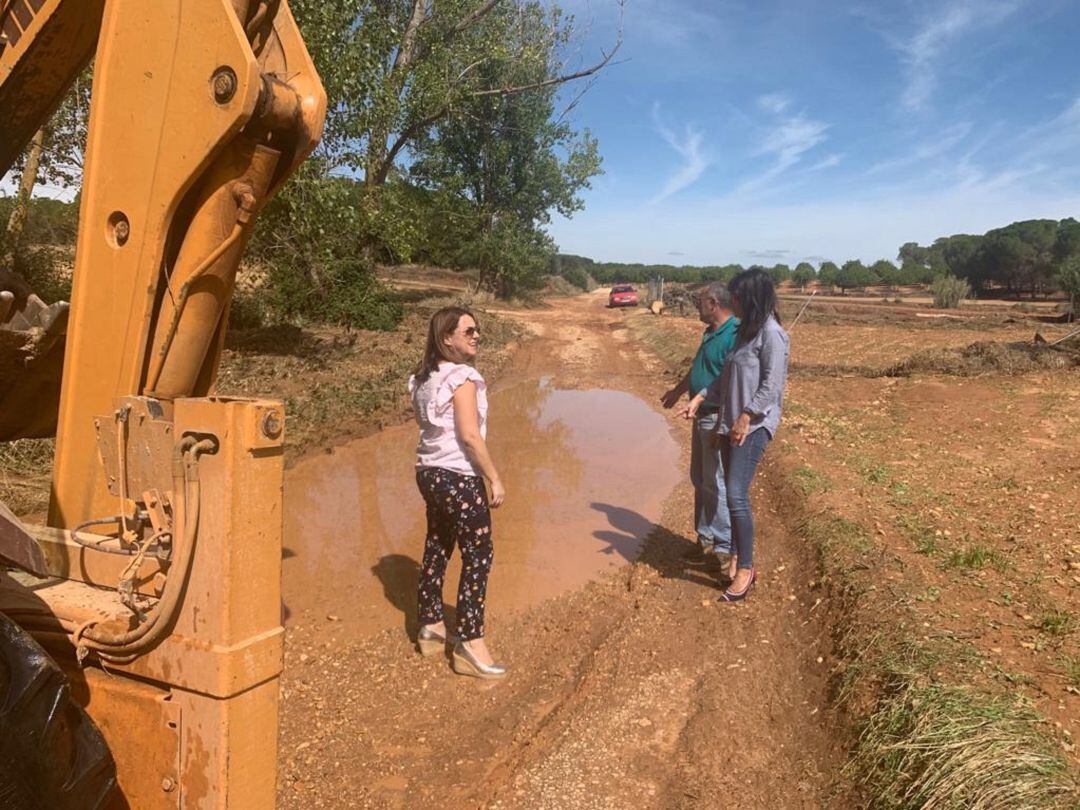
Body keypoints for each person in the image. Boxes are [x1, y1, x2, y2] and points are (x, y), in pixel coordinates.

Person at [408, 306, 507, 679]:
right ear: (445, 337)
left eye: (476, 329)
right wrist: (494, 478)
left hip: (428, 473)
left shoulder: (423, 379)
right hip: (457, 475)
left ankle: (430, 627)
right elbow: (469, 436)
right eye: (468, 331)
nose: (476, 335)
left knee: (437, 544)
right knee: (478, 555)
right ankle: (470, 642)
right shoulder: (463, 377)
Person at [684, 269, 789, 602]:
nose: (734, 302)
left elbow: (771, 386)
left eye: (738, 297)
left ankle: (745, 567)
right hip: (730, 424)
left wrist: (746, 416)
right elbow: (725, 379)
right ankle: (735, 558)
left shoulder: (772, 335)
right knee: (732, 493)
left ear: (752, 298)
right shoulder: (744, 333)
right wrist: (702, 400)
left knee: (736, 495)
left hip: (753, 427)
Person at [661, 283, 739, 568]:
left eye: (701, 302)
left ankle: (723, 548)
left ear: (713, 303)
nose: (697, 306)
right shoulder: (711, 333)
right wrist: (679, 390)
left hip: (717, 417)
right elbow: (698, 368)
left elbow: (733, 382)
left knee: (715, 481)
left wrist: (724, 422)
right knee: (700, 480)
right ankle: (704, 539)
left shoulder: (734, 334)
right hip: (701, 414)